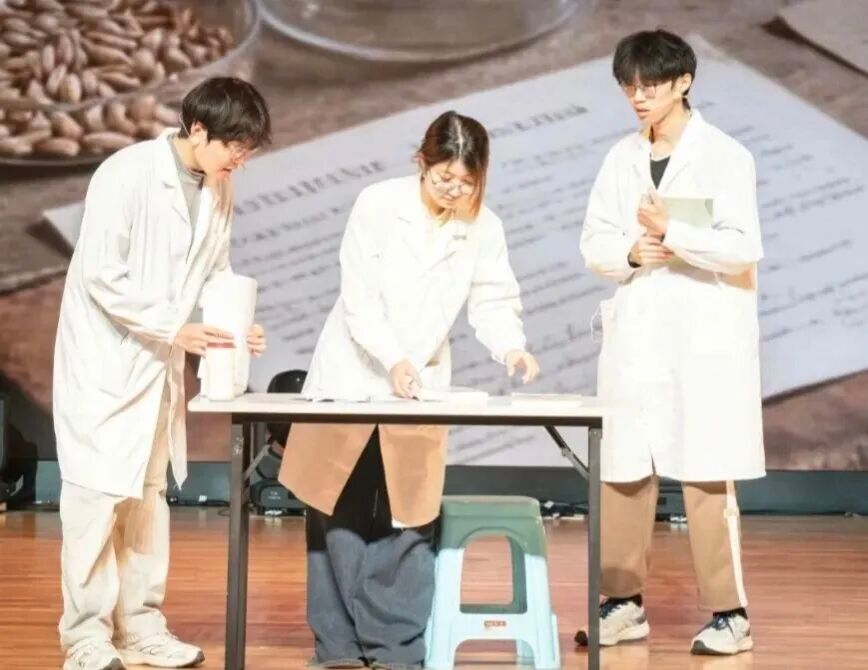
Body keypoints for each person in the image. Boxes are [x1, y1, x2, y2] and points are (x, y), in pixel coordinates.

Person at [278, 110, 540, 669]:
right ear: (422, 162)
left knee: (408, 514)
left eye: (466, 182)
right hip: (354, 372)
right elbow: (360, 296)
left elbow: (493, 298)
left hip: (420, 382)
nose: (454, 191)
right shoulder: (377, 204)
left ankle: (395, 648)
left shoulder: (484, 226)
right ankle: (338, 647)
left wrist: (510, 347)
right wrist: (392, 358)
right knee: (337, 508)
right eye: (444, 177)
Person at [53, 77, 271, 670]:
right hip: (105, 360)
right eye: (234, 147)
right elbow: (102, 275)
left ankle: (141, 627)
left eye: (247, 151)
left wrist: (236, 326)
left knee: (149, 497)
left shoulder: (219, 187)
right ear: (198, 129)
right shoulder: (125, 174)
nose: (239, 160)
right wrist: (174, 327)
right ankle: (86, 638)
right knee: (97, 500)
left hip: (157, 366)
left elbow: (216, 273)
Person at [578, 30, 765, 656]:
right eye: (629, 85)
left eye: (650, 85)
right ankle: (622, 605)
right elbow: (594, 242)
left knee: (707, 477)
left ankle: (730, 615)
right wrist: (631, 251)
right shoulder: (619, 159)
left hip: (703, 341)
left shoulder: (726, 156)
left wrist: (673, 231)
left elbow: (742, 247)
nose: (638, 96)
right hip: (638, 338)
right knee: (624, 472)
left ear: (684, 82)